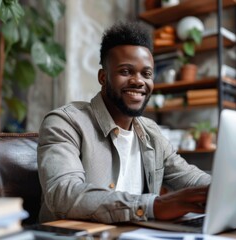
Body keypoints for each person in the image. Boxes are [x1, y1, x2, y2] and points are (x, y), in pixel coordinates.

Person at [37, 21, 211, 224]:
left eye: (146, 74)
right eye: (126, 71)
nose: (138, 81)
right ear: (103, 77)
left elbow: (191, 178)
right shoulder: (65, 122)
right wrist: (154, 206)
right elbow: (63, 194)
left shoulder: (151, 132)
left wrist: (228, 188)